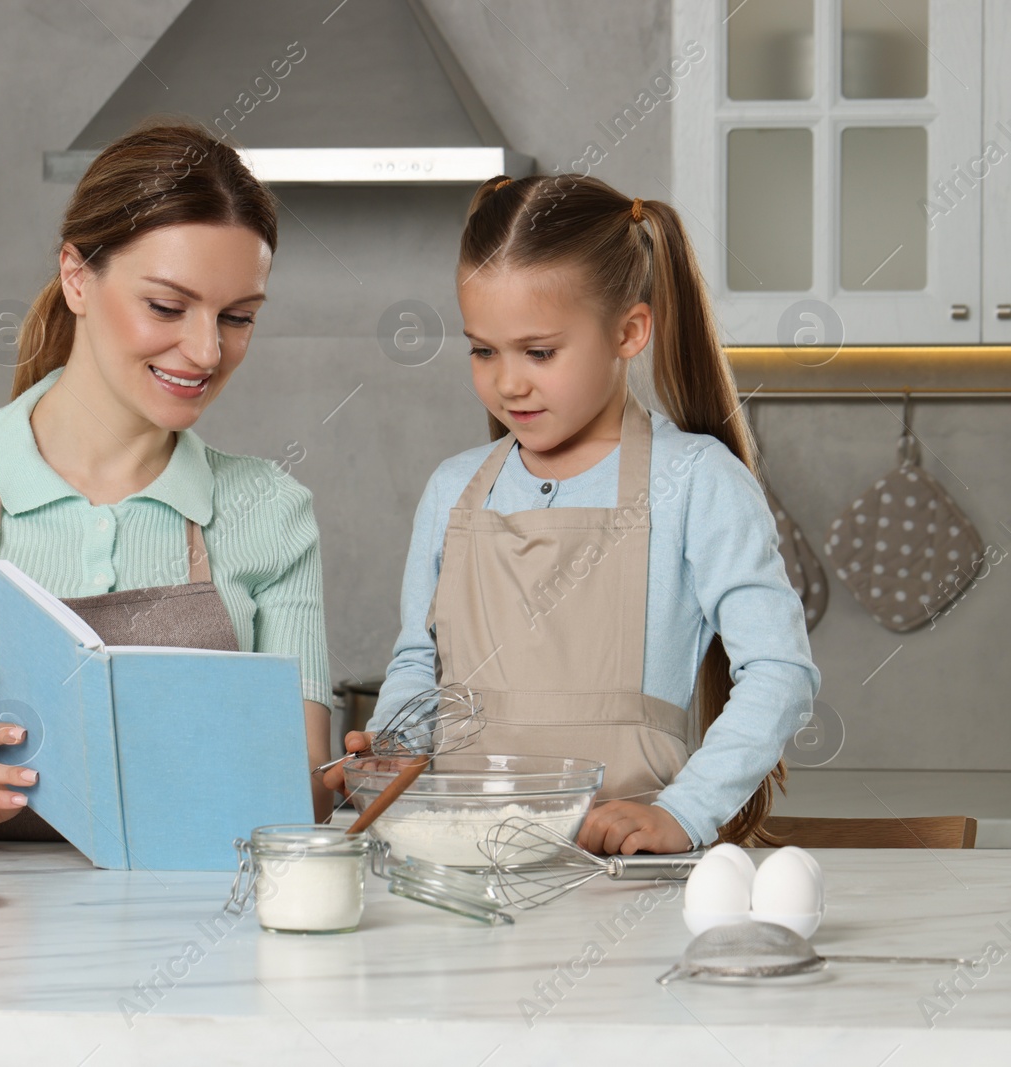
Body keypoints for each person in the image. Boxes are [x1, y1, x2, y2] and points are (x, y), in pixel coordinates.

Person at [0, 124, 334, 847]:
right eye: (167, 307)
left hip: (197, 933)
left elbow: (294, 785)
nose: (206, 351)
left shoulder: (272, 513)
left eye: (238, 318)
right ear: (77, 276)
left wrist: (324, 787)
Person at [327, 174, 819, 853]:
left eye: (539, 351)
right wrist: (391, 748)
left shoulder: (695, 482)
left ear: (629, 331)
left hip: (624, 874)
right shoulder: (453, 490)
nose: (508, 382)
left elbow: (780, 673)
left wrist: (685, 811)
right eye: (482, 349)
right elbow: (420, 661)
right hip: (466, 865)